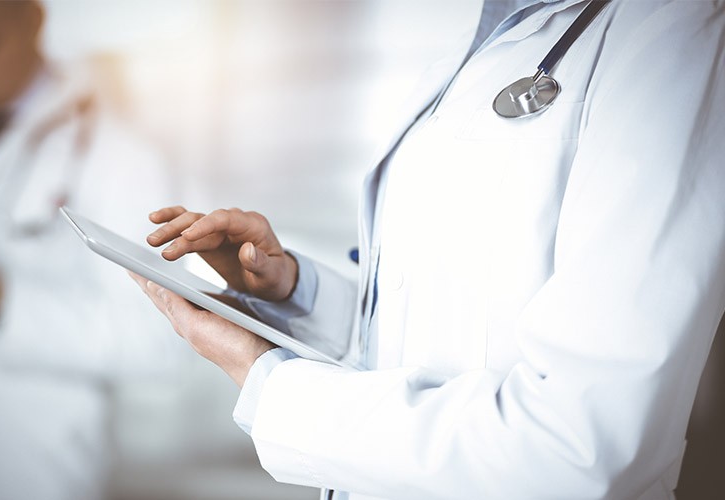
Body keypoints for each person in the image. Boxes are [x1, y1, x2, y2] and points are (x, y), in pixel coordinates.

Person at [132, 0, 725, 498]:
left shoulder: (675, 37)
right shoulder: (480, 38)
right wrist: (292, 291)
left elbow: (587, 446)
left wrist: (268, 380)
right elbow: (447, 320)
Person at [0, 2, 178, 499]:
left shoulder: (118, 155)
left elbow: (162, 337)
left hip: (33, 472)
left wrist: (3, 305)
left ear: (32, 21)